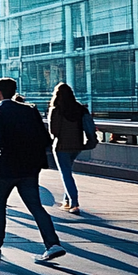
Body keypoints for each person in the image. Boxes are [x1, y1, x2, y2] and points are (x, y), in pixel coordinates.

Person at [0, 78, 67, 264]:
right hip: (29, 167)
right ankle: (52, 244)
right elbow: (44, 138)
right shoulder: (30, 110)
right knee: (35, 206)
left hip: (6, 167)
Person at [48, 83, 89, 215]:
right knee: (68, 172)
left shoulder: (56, 110)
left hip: (61, 146)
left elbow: (53, 131)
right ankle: (66, 200)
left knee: (66, 174)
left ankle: (74, 202)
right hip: (77, 145)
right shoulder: (80, 109)